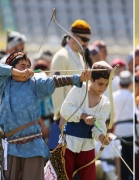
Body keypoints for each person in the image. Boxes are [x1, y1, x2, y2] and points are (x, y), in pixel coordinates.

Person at [0, 51, 89, 180]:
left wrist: (78, 78)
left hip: (33, 144)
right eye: (22, 65)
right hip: (11, 145)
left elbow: (55, 81)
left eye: (28, 66)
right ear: (12, 67)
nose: (26, 69)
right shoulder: (4, 84)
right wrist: (19, 73)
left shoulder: (35, 84)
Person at [60, 61, 112, 180]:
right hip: (69, 143)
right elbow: (65, 109)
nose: (103, 88)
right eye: (100, 83)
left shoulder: (105, 103)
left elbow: (99, 125)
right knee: (64, 177)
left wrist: (102, 137)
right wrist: (83, 116)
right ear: (92, 79)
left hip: (88, 147)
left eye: (106, 84)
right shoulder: (79, 89)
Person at [49, 19, 90, 150]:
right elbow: (56, 87)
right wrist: (62, 115)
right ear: (72, 36)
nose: (86, 43)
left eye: (88, 40)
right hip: (66, 119)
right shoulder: (61, 56)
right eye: (84, 39)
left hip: (79, 116)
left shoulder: (79, 56)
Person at [113, 70, 134, 180]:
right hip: (131, 130)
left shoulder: (113, 96)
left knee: (122, 160)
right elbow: (138, 116)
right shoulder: (133, 96)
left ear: (119, 83)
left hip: (119, 131)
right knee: (133, 161)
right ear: (130, 84)